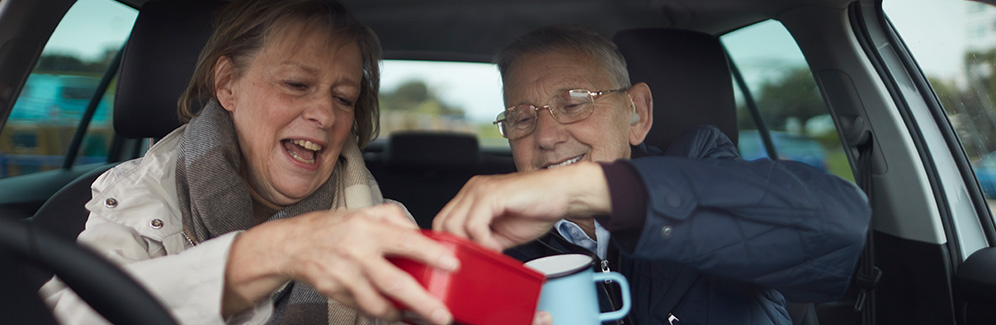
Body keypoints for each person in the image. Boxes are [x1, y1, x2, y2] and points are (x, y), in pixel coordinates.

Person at [39, 1, 459, 324]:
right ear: (227, 86)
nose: (326, 115)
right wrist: (270, 254)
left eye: (343, 98)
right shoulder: (137, 198)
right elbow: (72, 314)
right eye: (296, 84)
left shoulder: (383, 228)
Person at [433, 25, 871, 324]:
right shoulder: (493, 248)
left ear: (636, 113)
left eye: (573, 102)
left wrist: (595, 190)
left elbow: (838, 230)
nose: (547, 136)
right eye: (521, 118)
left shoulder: (703, 162)